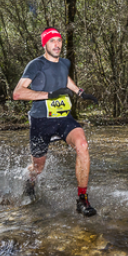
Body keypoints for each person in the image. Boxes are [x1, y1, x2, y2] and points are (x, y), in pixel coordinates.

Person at [13, 27, 99, 216]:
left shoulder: (64, 63)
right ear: (45, 44)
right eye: (52, 41)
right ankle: (29, 180)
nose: (57, 44)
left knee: (82, 145)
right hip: (40, 121)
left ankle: (82, 199)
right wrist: (49, 95)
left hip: (63, 119)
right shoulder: (35, 65)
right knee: (38, 168)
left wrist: (79, 92)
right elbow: (18, 93)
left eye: (59, 40)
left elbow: (64, 78)